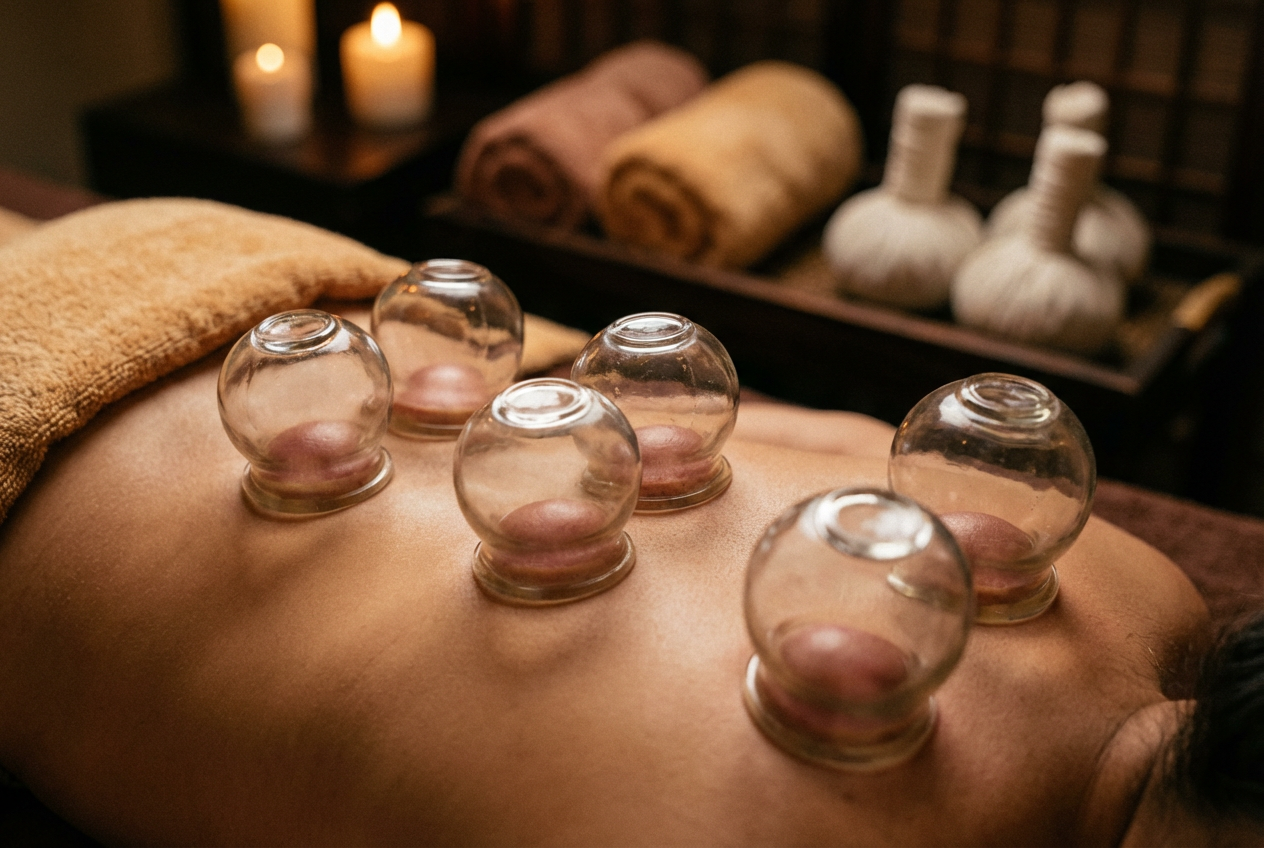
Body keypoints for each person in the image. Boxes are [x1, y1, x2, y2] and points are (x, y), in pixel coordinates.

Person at [0, 297, 1251, 847]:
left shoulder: (1144, 586)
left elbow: (768, 429)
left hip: (262, 280)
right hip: (88, 377)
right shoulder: (1136, 586)